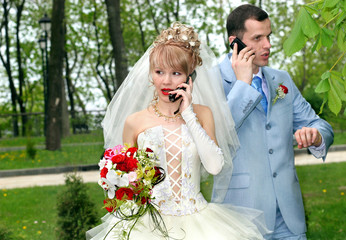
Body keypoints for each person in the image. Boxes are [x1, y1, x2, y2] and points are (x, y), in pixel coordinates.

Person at [86, 22, 269, 240]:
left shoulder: (202, 114)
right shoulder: (134, 122)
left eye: (176, 73)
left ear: (189, 77)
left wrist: (189, 114)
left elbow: (215, 166)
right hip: (148, 226)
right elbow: (128, 181)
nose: (166, 81)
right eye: (159, 71)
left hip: (199, 222)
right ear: (150, 74)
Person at [213, 4, 334, 240]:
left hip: (289, 218)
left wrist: (316, 135)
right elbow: (218, 136)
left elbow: (321, 125)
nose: (267, 45)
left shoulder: (282, 79)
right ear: (234, 42)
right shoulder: (211, 80)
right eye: (257, 38)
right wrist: (242, 85)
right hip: (241, 216)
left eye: (268, 36)